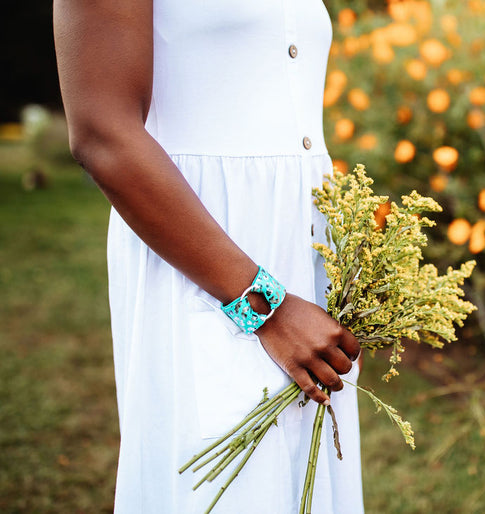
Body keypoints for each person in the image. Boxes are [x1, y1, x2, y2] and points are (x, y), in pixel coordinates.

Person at [53, 1, 364, 512]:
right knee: (224, 488)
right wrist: (266, 306)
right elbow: (102, 133)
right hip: (204, 250)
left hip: (302, 251)